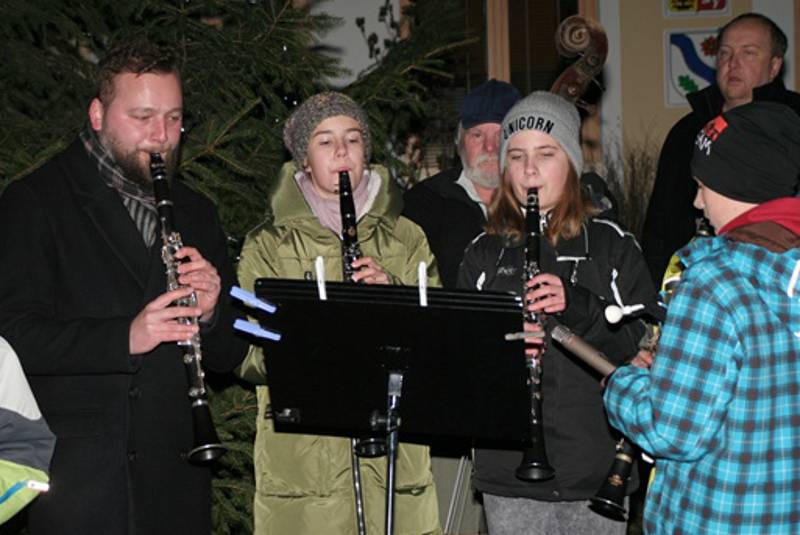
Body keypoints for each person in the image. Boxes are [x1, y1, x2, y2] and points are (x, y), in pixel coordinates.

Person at [0, 38, 247, 534]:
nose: (162, 136)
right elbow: (14, 336)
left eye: (175, 118)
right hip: (81, 487)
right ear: (97, 114)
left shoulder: (196, 211)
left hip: (176, 482)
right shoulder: (35, 202)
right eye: (143, 117)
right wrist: (125, 336)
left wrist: (215, 311)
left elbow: (228, 356)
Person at [237, 91, 441, 535]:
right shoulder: (268, 244)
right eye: (325, 141)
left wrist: (394, 296)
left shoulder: (406, 239)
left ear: (367, 150)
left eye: (352, 139)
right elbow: (251, 354)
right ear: (304, 160)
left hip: (393, 465)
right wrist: (320, 326)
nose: (342, 151)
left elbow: (440, 342)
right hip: (306, 476)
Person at [457, 91, 659, 535]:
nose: (530, 170)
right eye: (517, 156)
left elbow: (648, 345)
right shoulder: (483, 254)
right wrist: (501, 344)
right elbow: (458, 360)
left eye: (546, 155)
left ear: (570, 162)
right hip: (507, 468)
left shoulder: (612, 245)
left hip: (594, 468)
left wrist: (580, 307)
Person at [604, 101, 800, 534]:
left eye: (702, 185)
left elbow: (672, 430)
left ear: (737, 183)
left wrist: (621, 385)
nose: (696, 200)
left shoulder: (712, 284)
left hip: (716, 518)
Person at [641, 12, 800, 285]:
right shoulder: (686, 131)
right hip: (692, 280)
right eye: (724, 53)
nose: (732, 63)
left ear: (775, 66)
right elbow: (660, 223)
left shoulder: (795, 123)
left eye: (748, 53)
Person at [403, 79, 521, 289]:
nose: (490, 147)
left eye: (501, 135)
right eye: (477, 135)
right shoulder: (423, 202)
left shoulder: (538, 199)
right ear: (460, 142)